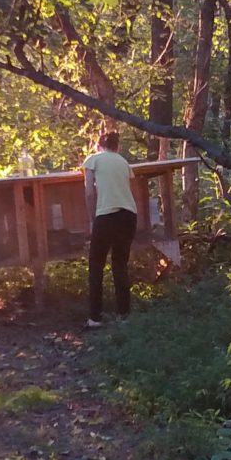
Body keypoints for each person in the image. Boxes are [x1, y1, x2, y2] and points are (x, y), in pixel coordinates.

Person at [83, 130, 138, 327]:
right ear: (118, 147)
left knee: (96, 266)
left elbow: (89, 191)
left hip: (106, 215)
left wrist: (92, 219)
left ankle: (95, 318)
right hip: (129, 215)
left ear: (98, 146)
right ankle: (124, 314)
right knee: (120, 264)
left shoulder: (93, 160)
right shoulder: (123, 162)